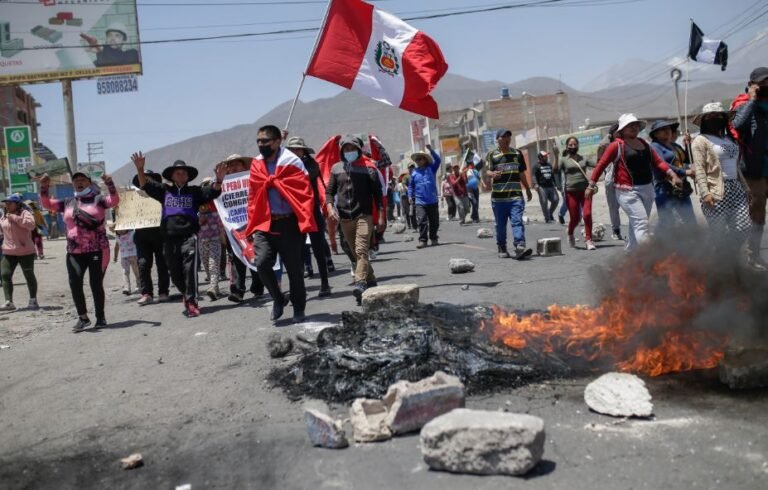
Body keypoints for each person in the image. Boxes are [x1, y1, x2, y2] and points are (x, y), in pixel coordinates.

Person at [131, 153, 226, 318]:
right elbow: (144, 184)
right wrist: (140, 168)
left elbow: (213, 192)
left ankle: (192, 302)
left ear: (188, 176)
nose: (181, 175)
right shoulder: (164, 191)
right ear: (172, 176)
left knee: (190, 270)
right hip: (168, 239)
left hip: (189, 237)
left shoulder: (195, 192)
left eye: (184, 172)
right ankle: (186, 294)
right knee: (175, 274)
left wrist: (219, 179)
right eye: (177, 172)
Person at [243, 125, 316, 322]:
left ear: (276, 141)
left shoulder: (291, 161)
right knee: (262, 263)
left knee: (294, 270)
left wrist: (276, 182)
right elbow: (253, 196)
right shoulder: (256, 165)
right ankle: (278, 298)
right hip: (265, 224)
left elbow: (304, 192)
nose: (261, 145)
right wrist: (252, 222)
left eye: (265, 141)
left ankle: (299, 308)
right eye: (258, 141)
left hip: (289, 224)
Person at [588, 114, 682, 251]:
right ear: (622, 129)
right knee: (641, 223)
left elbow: (658, 162)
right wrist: (591, 185)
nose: (634, 127)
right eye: (630, 125)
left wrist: (672, 174)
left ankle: (630, 253)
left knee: (636, 223)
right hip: (627, 191)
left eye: (636, 125)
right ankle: (650, 257)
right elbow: (601, 164)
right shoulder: (616, 146)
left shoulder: (644, 144)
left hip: (648, 189)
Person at [40, 171, 119, 331]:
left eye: (83, 180)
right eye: (76, 180)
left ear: (89, 183)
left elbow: (114, 200)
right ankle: (83, 317)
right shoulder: (67, 202)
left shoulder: (98, 199)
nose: (79, 182)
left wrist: (110, 184)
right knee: (75, 283)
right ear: (72, 184)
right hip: (74, 251)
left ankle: (100, 317)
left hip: (96, 249)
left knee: (95, 284)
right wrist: (44, 186)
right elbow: (47, 204)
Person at [325, 135, 385, 304]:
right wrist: (330, 207)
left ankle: (360, 284)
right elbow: (329, 192)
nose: (349, 152)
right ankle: (372, 281)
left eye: (352, 149)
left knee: (361, 251)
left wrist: (381, 217)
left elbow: (378, 196)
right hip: (344, 219)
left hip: (363, 216)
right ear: (342, 151)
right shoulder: (336, 168)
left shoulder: (369, 168)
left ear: (358, 150)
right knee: (356, 254)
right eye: (346, 149)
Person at [692, 103, 752, 257]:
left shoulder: (729, 139)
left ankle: (727, 255)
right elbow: (699, 169)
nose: (716, 119)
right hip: (716, 190)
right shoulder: (701, 140)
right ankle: (715, 262)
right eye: (711, 117)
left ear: (725, 119)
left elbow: (735, 165)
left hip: (736, 188)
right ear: (704, 120)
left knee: (743, 227)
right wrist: (705, 193)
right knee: (718, 233)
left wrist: (746, 188)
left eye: (719, 116)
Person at [285, 136, 333, 297]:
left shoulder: (311, 165)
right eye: (292, 149)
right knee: (297, 252)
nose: (295, 152)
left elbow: (304, 177)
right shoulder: (283, 166)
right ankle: (299, 288)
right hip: (293, 214)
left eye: (298, 149)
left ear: (304, 151)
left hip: (311, 212)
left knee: (318, 248)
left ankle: (325, 283)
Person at [731, 67, 768, 270]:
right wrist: (752, 99)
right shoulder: (745, 104)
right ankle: (751, 256)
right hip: (755, 172)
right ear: (752, 85)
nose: (766, 87)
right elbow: (737, 125)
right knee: (757, 218)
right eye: (763, 83)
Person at [485, 129, 534, 259]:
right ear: (498, 139)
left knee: (517, 221)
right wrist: (493, 174)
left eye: (508, 136)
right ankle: (502, 246)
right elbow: (488, 171)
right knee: (500, 225)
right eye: (503, 137)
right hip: (499, 198)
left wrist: (528, 189)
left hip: (515, 196)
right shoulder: (492, 155)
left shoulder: (517, 154)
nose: (507, 139)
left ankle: (519, 245)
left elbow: (521, 173)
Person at [131, 170, 171, 306]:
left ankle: (163, 292)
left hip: (161, 234)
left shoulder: (163, 194)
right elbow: (124, 218)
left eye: (147, 179)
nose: (145, 181)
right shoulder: (132, 198)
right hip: (142, 236)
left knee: (163, 264)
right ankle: (146, 293)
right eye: (143, 179)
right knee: (142, 264)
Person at [649, 120, 696, 230]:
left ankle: (692, 244)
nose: (667, 131)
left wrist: (688, 146)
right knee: (667, 221)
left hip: (681, 186)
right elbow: (662, 163)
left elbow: (687, 160)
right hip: (664, 187)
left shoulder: (675, 146)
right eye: (662, 129)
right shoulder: (654, 147)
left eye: (668, 128)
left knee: (689, 218)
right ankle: (661, 245)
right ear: (655, 134)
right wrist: (684, 172)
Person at [0, 195, 38, 311]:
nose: (7, 205)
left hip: (25, 251)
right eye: (6, 203)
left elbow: (31, 225)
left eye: (10, 203)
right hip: (8, 251)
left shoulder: (24, 213)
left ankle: (33, 300)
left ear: (17, 204)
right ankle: (9, 302)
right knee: (5, 274)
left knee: (28, 275)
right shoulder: (4, 216)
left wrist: (15, 218)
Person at [560, 138, 596, 250]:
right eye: (570, 145)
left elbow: (598, 164)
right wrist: (556, 154)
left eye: (575, 144)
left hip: (585, 191)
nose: (572, 146)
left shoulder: (583, 158)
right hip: (571, 192)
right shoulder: (564, 160)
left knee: (587, 214)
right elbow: (555, 169)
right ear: (567, 146)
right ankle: (570, 233)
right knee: (575, 218)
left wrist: (601, 151)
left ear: (578, 146)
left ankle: (589, 239)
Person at [409, 145, 442, 248]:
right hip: (420, 201)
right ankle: (423, 240)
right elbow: (411, 186)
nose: (418, 161)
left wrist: (431, 150)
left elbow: (438, 160)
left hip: (432, 200)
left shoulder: (432, 168)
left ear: (425, 159)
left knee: (434, 221)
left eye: (420, 159)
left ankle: (433, 237)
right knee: (422, 220)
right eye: (417, 159)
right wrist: (410, 196)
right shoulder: (414, 173)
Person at [596, 123, 623, 240]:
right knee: (613, 207)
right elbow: (600, 159)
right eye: (617, 131)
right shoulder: (606, 145)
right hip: (611, 179)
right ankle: (616, 230)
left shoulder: (626, 144)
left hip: (624, 180)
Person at [197, 187, 223, 300]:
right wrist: (199, 222)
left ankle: (212, 287)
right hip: (202, 242)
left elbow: (221, 225)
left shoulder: (216, 209)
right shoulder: (196, 212)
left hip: (215, 241)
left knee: (213, 265)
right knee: (207, 266)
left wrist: (224, 239)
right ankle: (215, 286)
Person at [532, 150, 559, 224]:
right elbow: (534, 176)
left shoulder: (549, 165)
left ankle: (550, 213)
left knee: (556, 200)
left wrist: (555, 184)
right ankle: (547, 218)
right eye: (545, 156)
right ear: (540, 157)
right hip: (541, 187)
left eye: (546, 156)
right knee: (544, 202)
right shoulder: (536, 166)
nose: (546, 157)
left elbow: (552, 174)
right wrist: (535, 184)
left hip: (551, 186)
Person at [113, 228, 139, 295]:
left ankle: (139, 285)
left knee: (136, 272)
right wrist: (115, 257)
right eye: (119, 229)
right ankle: (127, 288)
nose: (121, 230)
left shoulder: (132, 233)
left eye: (123, 229)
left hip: (134, 256)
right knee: (125, 272)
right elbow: (116, 247)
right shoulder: (118, 237)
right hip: (124, 257)